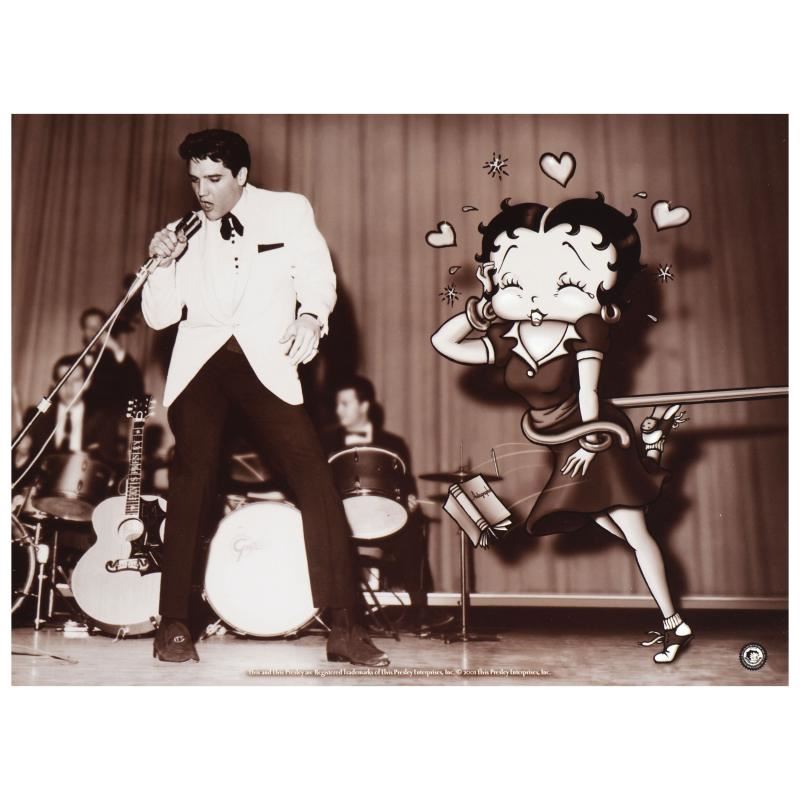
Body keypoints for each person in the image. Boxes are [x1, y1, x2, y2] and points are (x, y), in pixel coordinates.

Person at [142, 128, 388, 665]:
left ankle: (345, 627)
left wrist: (310, 316)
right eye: (195, 180)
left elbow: (317, 275)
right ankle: (174, 624)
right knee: (191, 481)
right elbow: (160, 317)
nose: (202, 191)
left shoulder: (287, 210)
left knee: (315, 481)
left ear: (241, 175)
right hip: (200, 367)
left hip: (266, 362)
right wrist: (161, 264)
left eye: (214, 179)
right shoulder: (182, 232)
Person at [431, 194, 693, 664]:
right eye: (517, 279)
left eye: (568, 280)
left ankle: (675, 624)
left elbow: (588, 393)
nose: (536, 294)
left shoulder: (585, 330)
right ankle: (651, 447)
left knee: (635, 532)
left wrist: (592, 443)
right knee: (603, 519)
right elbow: (443, 342)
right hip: (562, 443)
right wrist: (478, 313)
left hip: (593, 435)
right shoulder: (508, 339)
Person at [322, 376, 452, 633]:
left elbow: (406, 484)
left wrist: (410, 499)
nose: (338, 410)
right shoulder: (326, 442)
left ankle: (421, 612)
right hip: (342, 523)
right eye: (337, 404)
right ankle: (334, 616)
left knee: (413, 532)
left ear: (364, 406)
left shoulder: (393, 444)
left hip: (384, 522)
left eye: (345, 404)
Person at [78, 307, 145, 422]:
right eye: (89, 327)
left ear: (106, 330)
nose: (94, 331)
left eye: (98, 327)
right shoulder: (73, 362)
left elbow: (137, 388)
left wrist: (116, 348)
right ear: (83, 331)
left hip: (109, 424)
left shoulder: (118, 362)